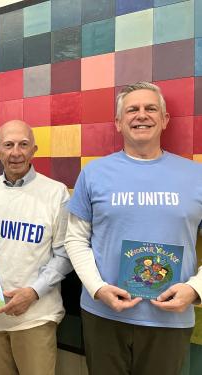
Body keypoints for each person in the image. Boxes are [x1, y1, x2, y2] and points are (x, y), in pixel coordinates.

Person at [65, 82, 202, 375]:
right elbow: (75, 239)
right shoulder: (93, 174)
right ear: (118, 122)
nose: (142, 115)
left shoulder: (196, 175)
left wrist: (195, 289)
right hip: (103, 314)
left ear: (165, 120)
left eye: (151, 108)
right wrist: (97, 288)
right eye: (133, 109)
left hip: (169, 320)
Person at [0, 120, 73, 375]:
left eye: (23, 145)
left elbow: (64, 254)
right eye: (8, 145)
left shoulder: (56, 193)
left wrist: (33, 292)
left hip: (36, 315)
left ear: (34, 150)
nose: (16, 152)